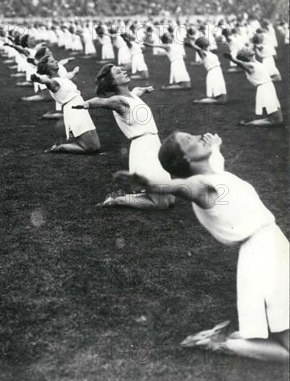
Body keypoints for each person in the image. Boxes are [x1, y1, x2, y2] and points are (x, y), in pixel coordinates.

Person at [114, 131, 288, 363]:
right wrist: (148, 183)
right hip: (263, 259)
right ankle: (218, 342)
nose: (197, 136)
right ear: (185, 160)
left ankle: (231, 338)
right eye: (189, 140)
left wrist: (215, 145)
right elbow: (179, 187)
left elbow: (215, 163)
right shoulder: (201, 186)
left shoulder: (214, 173)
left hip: (274, 247)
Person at [74, 64, 174, 209]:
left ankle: (129, 196)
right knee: (161, 204)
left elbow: (138, 90)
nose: (124, 72)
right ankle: (119, 200)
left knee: (170, 200)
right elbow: (101, 101)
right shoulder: (118, 101)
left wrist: (145, 89)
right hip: (143, 149)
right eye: (119, 72)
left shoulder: (132, 95)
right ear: (113, 81)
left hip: (154, 144)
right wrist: (86, 104)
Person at [30, 56, 100, 154]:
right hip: (73, 111)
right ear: (47, 68)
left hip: (80, 108)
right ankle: (61, 147)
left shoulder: (61, 78)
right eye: (52, 61)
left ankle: (75, 141)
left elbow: (69, 75)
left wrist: (75, 72)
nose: (56, 61)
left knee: (96, 146)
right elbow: (47, 82)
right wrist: (38, 80)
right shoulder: (53, 82)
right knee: (90, 149)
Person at [224, 49, 283, 126]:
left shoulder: (256, 63)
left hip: (269, 88)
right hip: (265, 91)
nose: (250, 49)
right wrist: (233, 60)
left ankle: (249, 122)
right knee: (276, 122)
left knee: (278, 119)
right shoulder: (249, 66)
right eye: (247, 50)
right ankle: (248, 124)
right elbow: (241, 64)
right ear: (246, 56)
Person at [185, 37, 227, 104]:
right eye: (204, 40)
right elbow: (197, 49)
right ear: (202, 44)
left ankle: (203, 100)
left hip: (218, 72)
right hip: (213, 73)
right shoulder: (202, 53)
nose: (207, 40)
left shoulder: (209, 51)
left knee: (223, 99)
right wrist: (191, 43)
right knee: (220, 100)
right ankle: (199, 102)